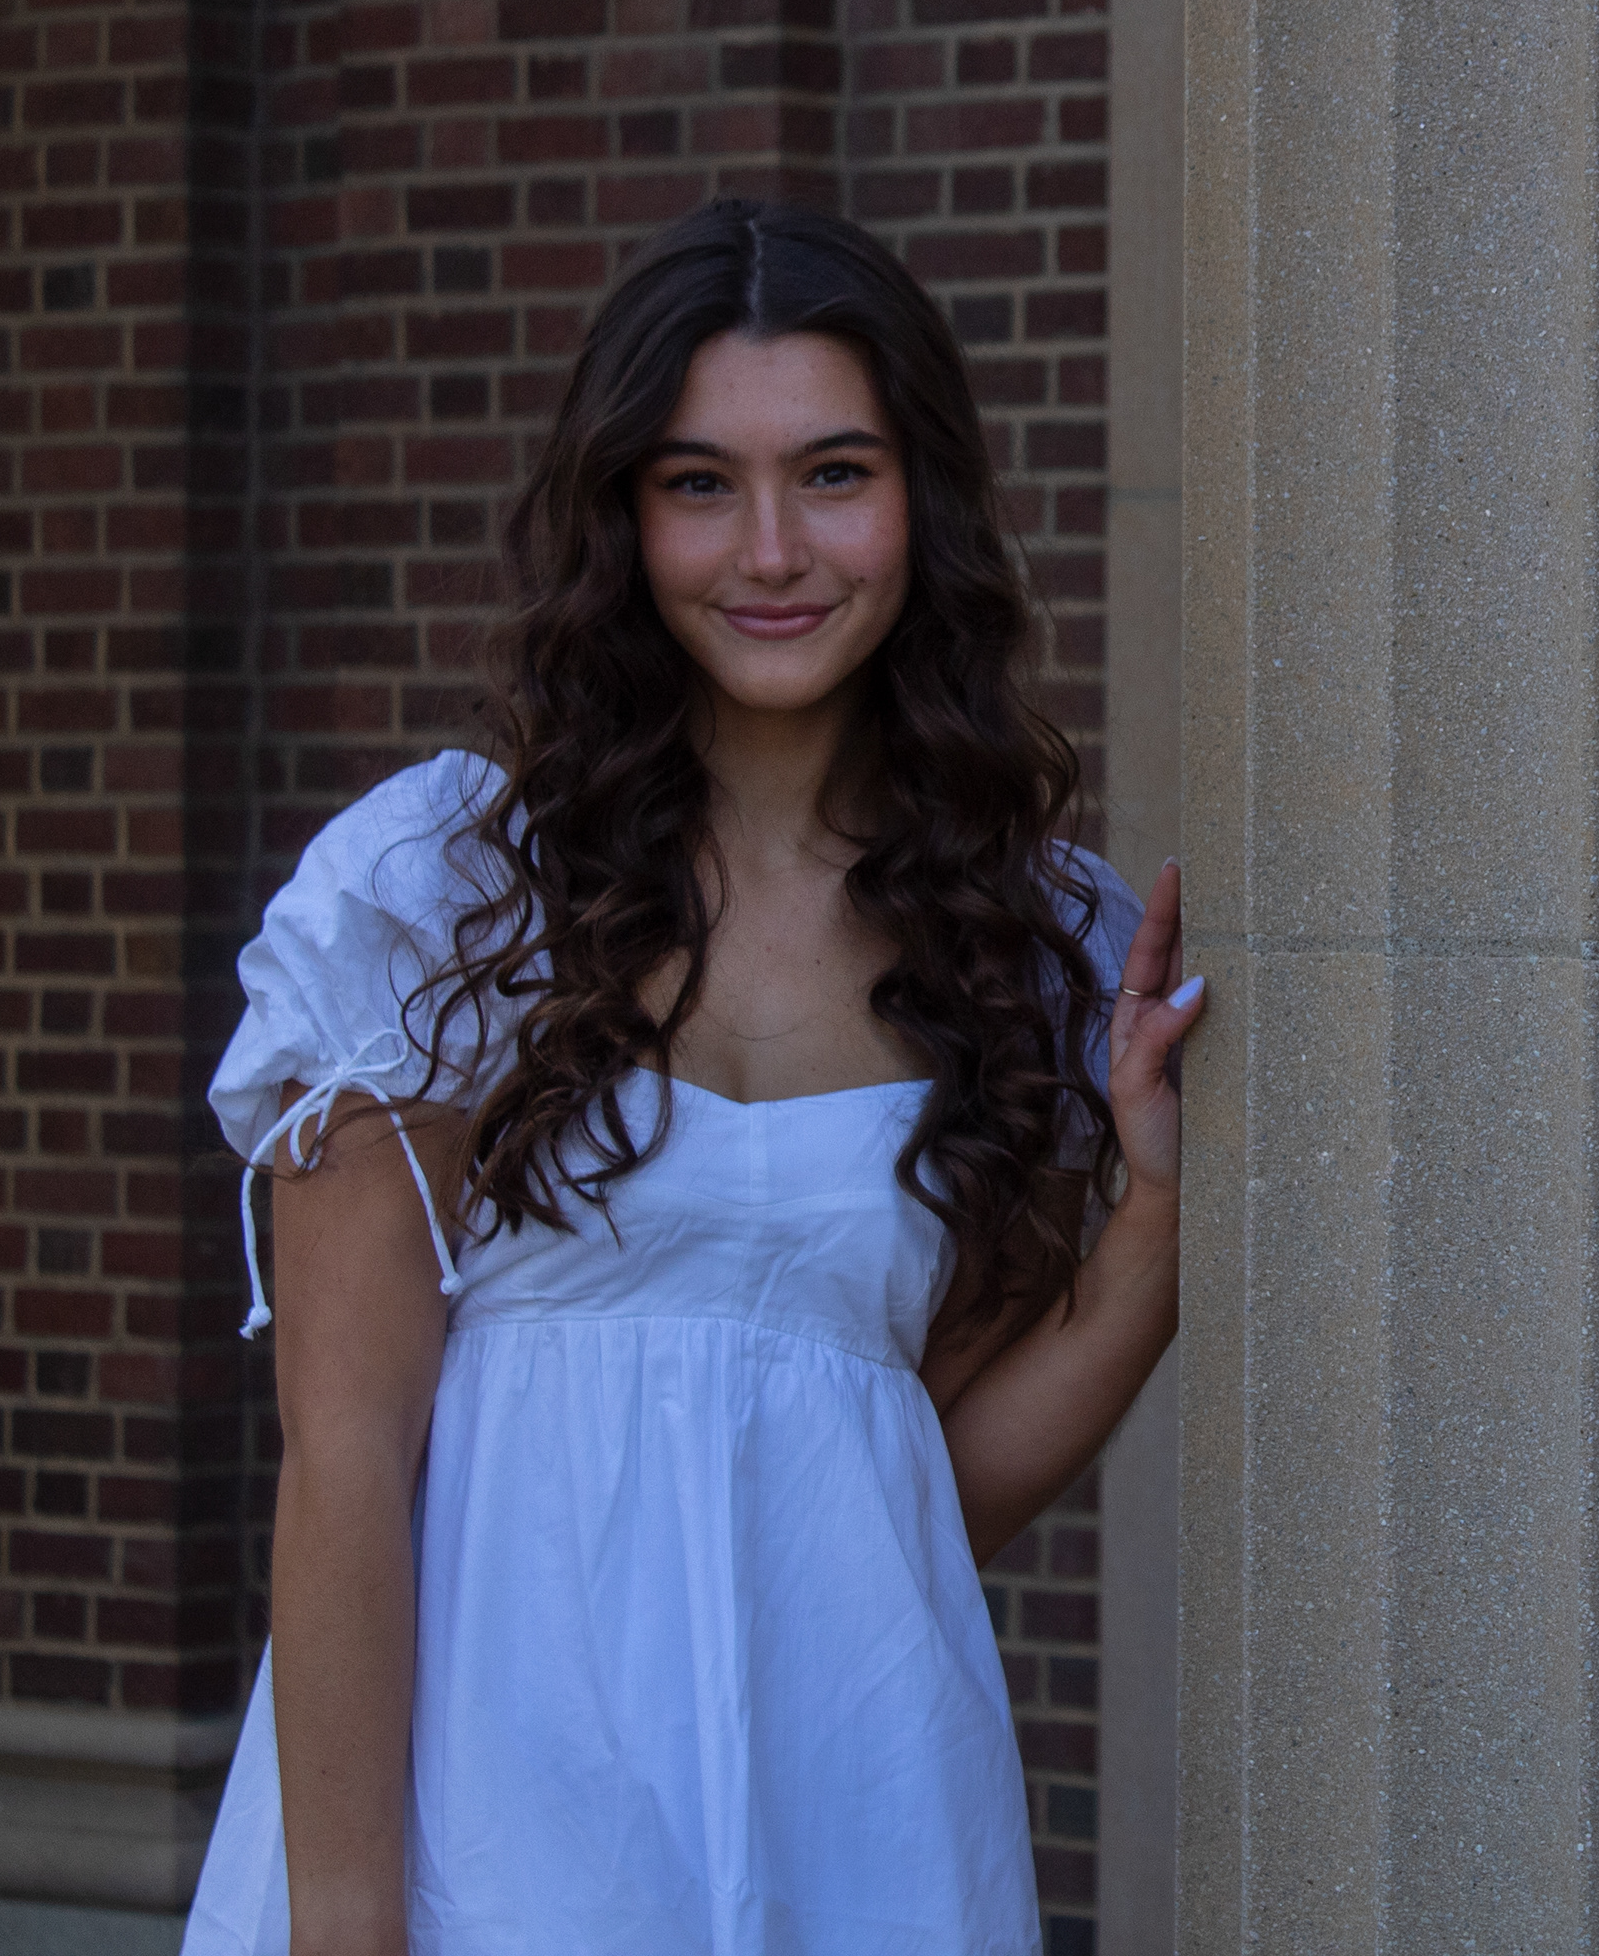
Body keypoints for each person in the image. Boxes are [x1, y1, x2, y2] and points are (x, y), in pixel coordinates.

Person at [181, 202, 1200, 1956]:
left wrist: (1159, 1217)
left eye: (835, 474)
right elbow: (346, 1460)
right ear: (623, 515)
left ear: (925, 500)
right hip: (490, 1820)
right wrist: (346, 1928)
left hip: (858, 1812)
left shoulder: (1024, 947)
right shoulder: (441, 898)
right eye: (701, 484)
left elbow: (913, 1487)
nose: (774, 550)